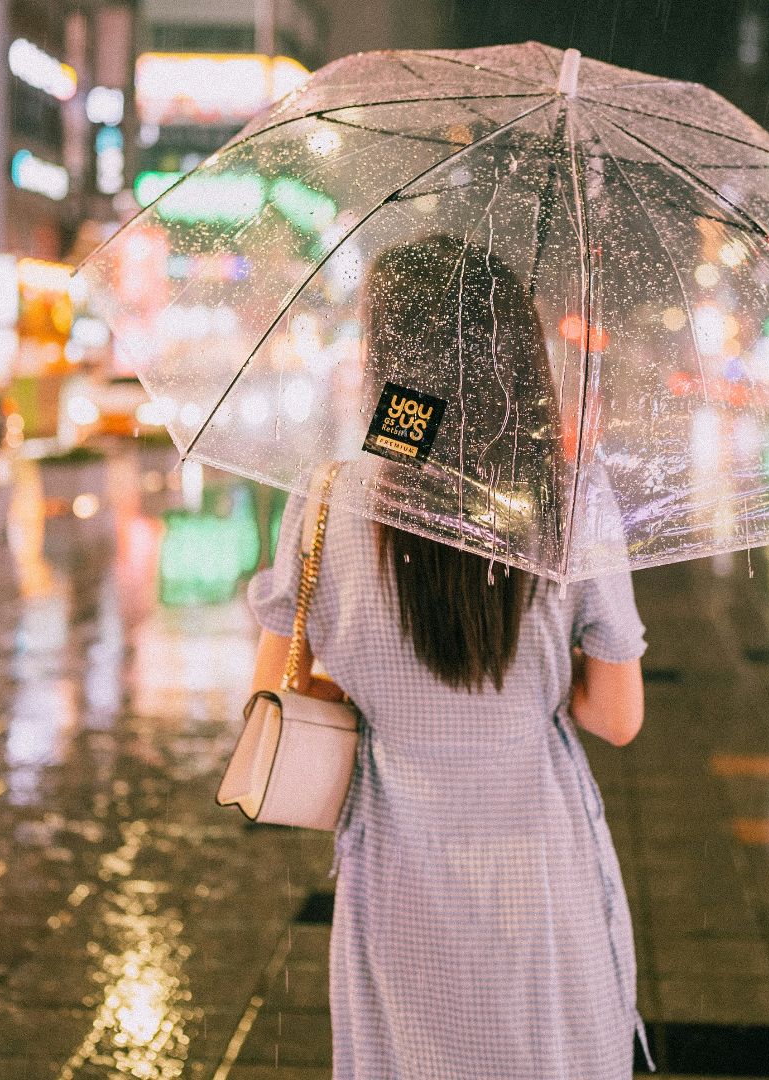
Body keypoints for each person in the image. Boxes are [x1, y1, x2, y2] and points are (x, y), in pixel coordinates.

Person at [245, 236, 650, 1079]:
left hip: (396, 864)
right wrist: (527, 669)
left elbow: (273, 692)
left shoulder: (329, 499)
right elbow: (616, 718)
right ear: (515, 356)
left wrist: (387, 674)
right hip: (536, 870)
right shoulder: (573, 502)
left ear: (390, 359)